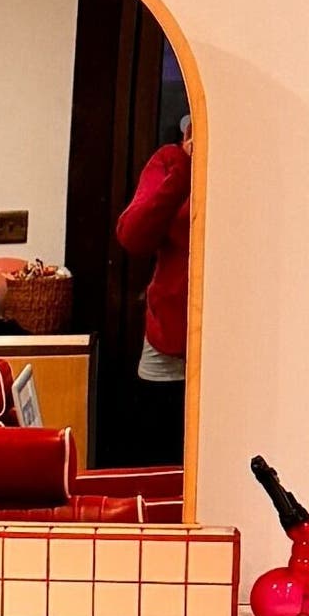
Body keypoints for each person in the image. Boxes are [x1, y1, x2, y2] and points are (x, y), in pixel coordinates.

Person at [111, 120, 190, 468]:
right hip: (167, 339)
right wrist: (184, 170)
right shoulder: (170, 162)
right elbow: (133, 236)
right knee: (158, 455)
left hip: (230, 345)